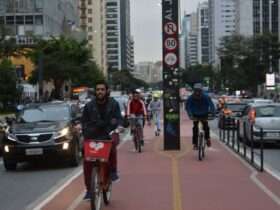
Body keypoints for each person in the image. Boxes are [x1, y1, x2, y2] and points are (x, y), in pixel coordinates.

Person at [81, 80, 122, 200]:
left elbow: (119, 118)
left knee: (112, 144)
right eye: (98, 89)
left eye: (102, 89)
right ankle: (89, 190)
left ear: (107, 91)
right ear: (95, 91)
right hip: (92, 136)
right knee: (87, 161)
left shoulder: (114, 104)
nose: (100, 92)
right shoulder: (89, 106)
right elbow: (84, 121)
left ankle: (113, 172)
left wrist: (119, 127)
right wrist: (81, 127)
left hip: (108, 134)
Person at [185, 83, 215, 150]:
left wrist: (213, 114)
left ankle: (207, 139)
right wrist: (190, 115)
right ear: (194, 91)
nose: (197, 92)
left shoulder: (206, 97)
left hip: (204, 113)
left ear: (201, 91)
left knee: (206, 126)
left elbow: (211, 105)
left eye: (199, 91)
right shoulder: (191, 98)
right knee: (195, 128)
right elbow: (187, 107)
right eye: (196, 91)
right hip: (195, 114)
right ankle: (195, 144)